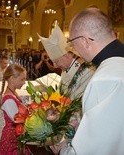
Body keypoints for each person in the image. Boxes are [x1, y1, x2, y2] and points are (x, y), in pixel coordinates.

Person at [51, 7, 124, 155]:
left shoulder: (105, 79)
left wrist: (63, 150)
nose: (73, 48)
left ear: (85, 40)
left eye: (72, 43)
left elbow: (92, 150)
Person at [39, 24, 95, 99]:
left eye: (57, 61)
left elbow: (78, 100)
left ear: (68, 54)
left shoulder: (86, 71)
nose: (55, 66)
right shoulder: (65, 70)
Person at [0, 64, 30, 155]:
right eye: (22, 79)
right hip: (12, 137)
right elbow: (18, 120)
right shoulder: (8, 100)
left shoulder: (13, 92)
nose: (24, 82)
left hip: (16, 133)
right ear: (12, 78)